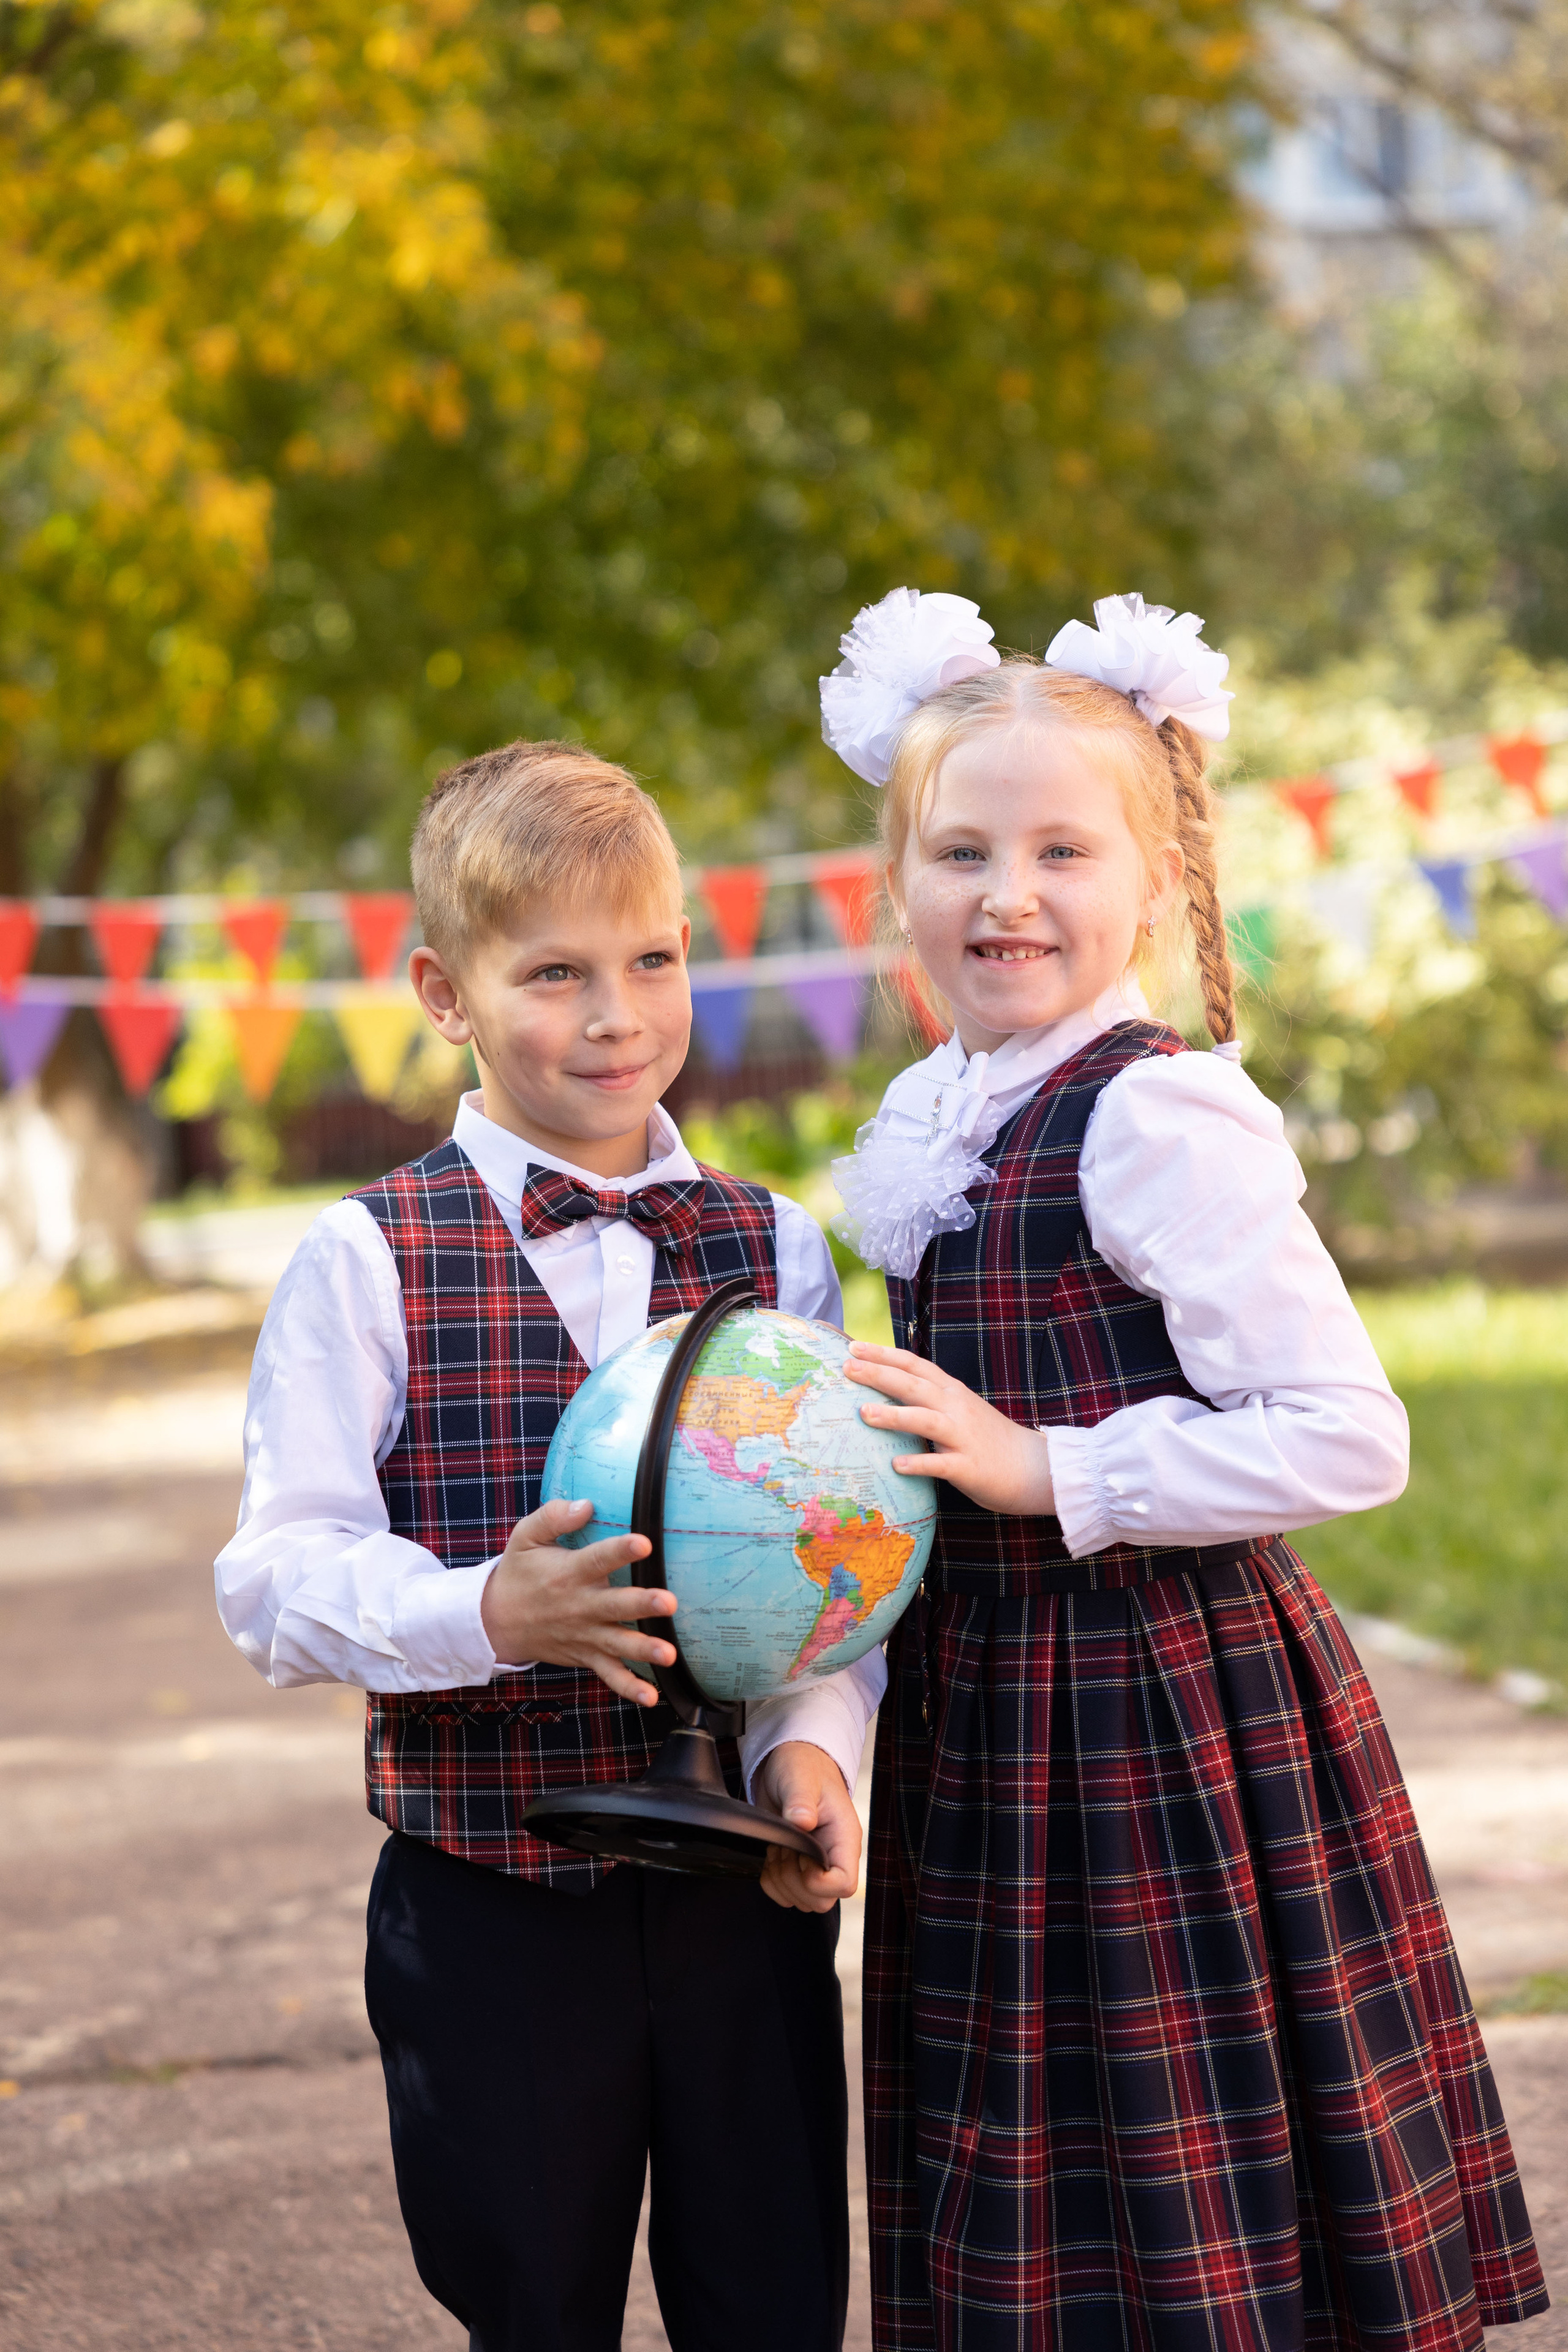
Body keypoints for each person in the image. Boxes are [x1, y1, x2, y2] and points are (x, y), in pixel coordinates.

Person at [810, 589, 1548, 2351]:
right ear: (894, 884)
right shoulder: (944, 1105)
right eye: (959, 850)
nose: (1008, 894)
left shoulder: (1150, 1111)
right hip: (982, 1712)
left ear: (1152, 881)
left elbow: (1350, 1429)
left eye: (1065, 849)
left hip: (1159, 1710)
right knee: (1029, 2163)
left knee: (1183, 2166)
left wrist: (1046, 1467)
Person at [216, 739, 882, 2352]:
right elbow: (273, 1579)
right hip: (490, 1904)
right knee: (530, 2298)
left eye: (652, 960)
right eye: (556, 972)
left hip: (739, 1890)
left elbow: (832, 1561)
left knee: (776, 2293)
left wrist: (820, 1751)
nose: (615, 1015)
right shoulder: (366, 1257)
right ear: (446, 992)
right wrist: (487, 1613)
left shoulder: (772, 1242)